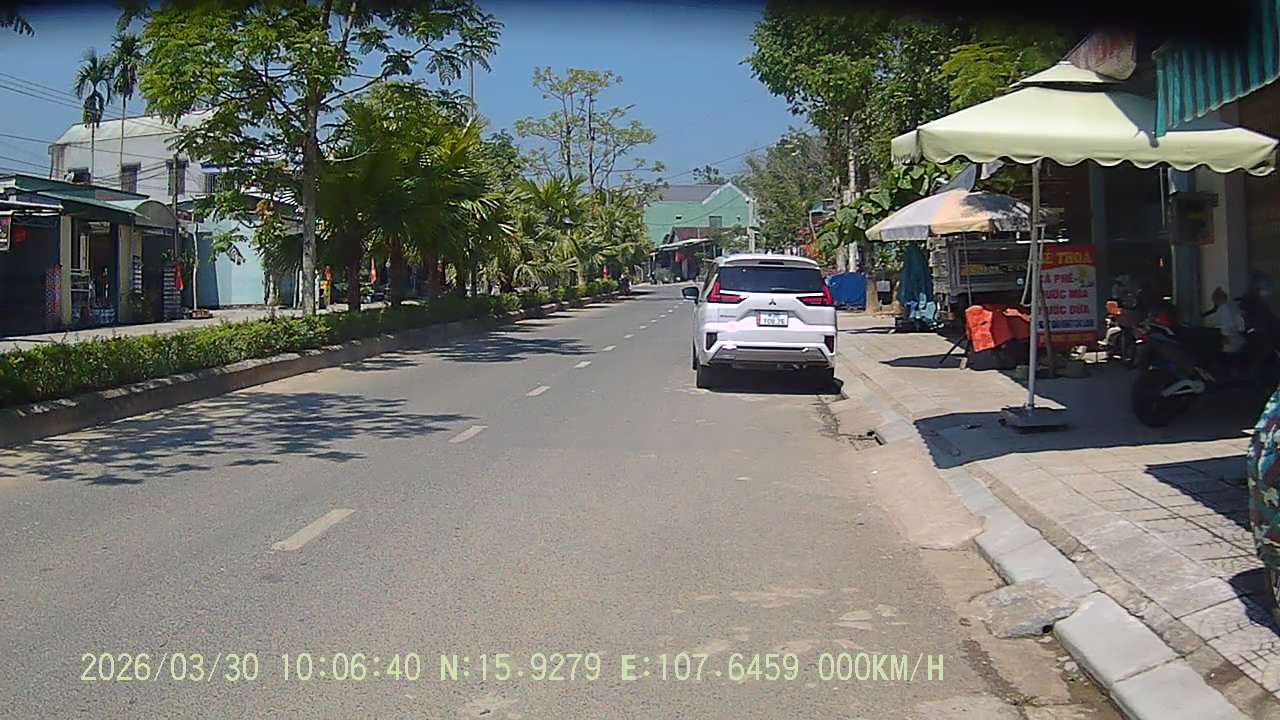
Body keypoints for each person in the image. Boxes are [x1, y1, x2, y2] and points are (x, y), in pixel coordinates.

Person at [1206, 286, 1247, 355]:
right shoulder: (1231, 307)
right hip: (1237, 340)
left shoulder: (1223, 309)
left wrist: (1226, 338)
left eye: (1214, 300)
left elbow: (1228, 326)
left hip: (1231, 341)